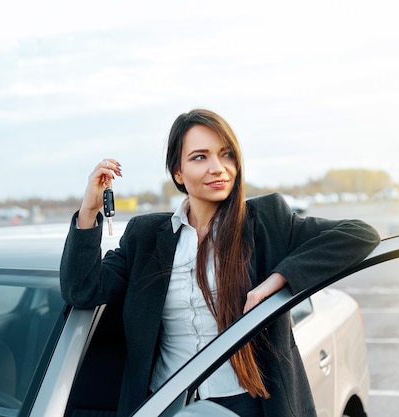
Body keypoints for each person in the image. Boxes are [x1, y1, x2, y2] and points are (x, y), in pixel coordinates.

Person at [60, 109, 380, 417]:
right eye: (200, 157)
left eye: (226, 154)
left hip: (248, 404)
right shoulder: (145, 236)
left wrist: (277, 280)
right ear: (177, 172)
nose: (218, 167)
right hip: (166, 403)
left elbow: (360, 234)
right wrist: (89, 212)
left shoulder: (266, 221)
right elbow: (83, 289)